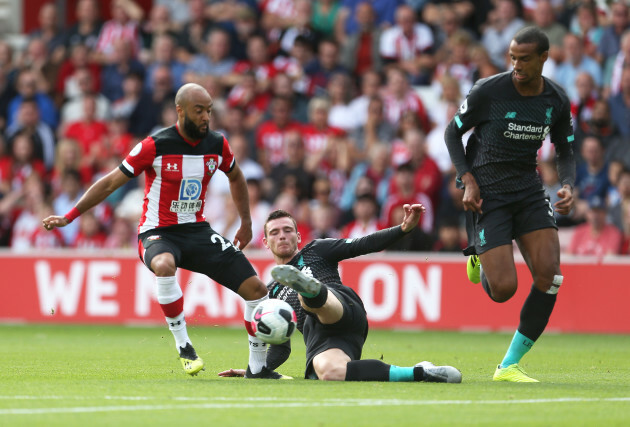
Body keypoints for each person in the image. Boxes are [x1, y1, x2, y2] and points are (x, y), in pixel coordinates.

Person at [42, 83, 279, 379]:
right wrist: (70, 216)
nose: (206, 117)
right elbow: (110, 182)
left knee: (257, 290)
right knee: (165, 265)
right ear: (180, 111)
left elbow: (237, 177)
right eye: (199, 111)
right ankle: (184, 345)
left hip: (197, 231)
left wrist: (245, 222)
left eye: (209, 110)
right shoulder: (154, 145)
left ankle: (257, 368)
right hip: (158, 232)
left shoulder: (217, 144)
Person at [444, 27, 575, 382]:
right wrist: (466, 178)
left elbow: (565, 148)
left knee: (550, 277)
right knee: (503, 290)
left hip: (529, 191)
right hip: (488, 193)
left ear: (544, 58)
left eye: (525, 58)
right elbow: (452, 132)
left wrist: (567, 184)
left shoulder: (556, 100)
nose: (516, 65)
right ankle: (478, 255)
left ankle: (508, 366)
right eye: (513, 57)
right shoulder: (489, 90)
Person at [219, 205, 462, 383]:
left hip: (341, 306)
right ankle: (421, 372)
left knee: (310, 301)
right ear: (265, 242)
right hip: (323, 339)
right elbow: (281, 348)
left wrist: (403, 229)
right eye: (274, 233)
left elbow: (362, 244)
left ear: (298, 236)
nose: (282, 235)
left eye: (287, 230)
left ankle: (309, 288)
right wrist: (256, 369)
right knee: (330, 373)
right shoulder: (271, 292)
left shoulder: (317, 249)